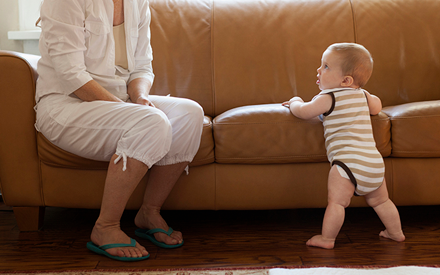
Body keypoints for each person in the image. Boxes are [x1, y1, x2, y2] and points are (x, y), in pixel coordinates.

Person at [35, 0, 204, 261]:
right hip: (65, 105)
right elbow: (72, 75)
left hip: (119, 103)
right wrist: (136, 112)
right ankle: (106, 227)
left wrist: (140, 99)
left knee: (189, 113)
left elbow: (141, 66)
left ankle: (149, 212)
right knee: (151, 121)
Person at [282, 43, 405, 249]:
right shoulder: (364, 96)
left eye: (326, 66)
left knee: (337, 203)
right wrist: (369, 99)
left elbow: (303, 111)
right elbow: (377, 107)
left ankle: (327, 239)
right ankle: (396, 232)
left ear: (345, 80)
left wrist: (295, 101)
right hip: (373, 162)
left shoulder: (328, 97)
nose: (319, 70)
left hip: (346, 163)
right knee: (382, 202)